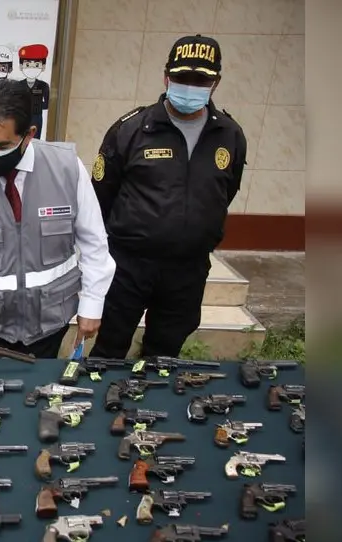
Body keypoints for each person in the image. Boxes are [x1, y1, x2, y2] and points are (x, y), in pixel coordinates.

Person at [0, 79, 116, 359]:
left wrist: (92, 304)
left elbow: (94, 243)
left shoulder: (66, 169)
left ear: (29, 135)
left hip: (49, 325)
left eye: (0, 145)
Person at [89, 34, 247, 359]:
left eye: (200, 79)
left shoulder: (230, 135)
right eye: (181, 77)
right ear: (166, 77)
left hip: (187, 270)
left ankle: (149, 408)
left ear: (215, 83)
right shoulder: (131, 130)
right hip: (128, 266)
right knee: (109, 351)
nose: (190, 86)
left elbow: (224, 193)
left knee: (164, 355)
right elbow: (100, 197)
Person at [18, 44, 50, 140]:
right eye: (27, 65)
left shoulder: (43, 85)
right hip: (22, 116)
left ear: (43, 67)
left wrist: (36, 105)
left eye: (36, 65)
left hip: (37, 117)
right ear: (21, 66)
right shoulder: (19, 85)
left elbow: (47, 104)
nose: (31, 69)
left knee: (35, 141)